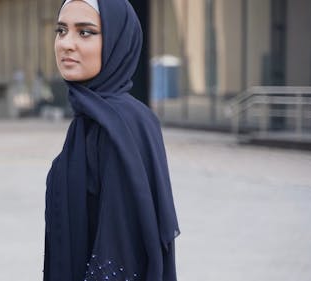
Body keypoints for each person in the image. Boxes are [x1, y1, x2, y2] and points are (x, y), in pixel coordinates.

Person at [43, 0, 180, 281]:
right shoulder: (89, 118)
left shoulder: (121, 125)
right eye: (61, 30)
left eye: (85, 32)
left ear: (118, 41)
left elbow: (121, 253)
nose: (66, 43)